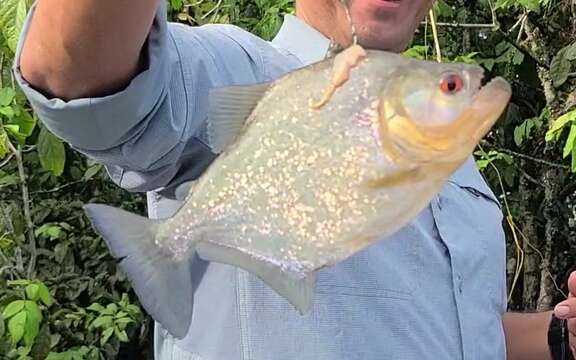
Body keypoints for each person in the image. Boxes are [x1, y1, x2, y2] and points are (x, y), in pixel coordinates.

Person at [12, 0, 576, 359]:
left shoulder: (447, 155)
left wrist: (556, 337)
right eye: (452, 87)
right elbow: (73, 76)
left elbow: (454, 327)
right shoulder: (238, 66)